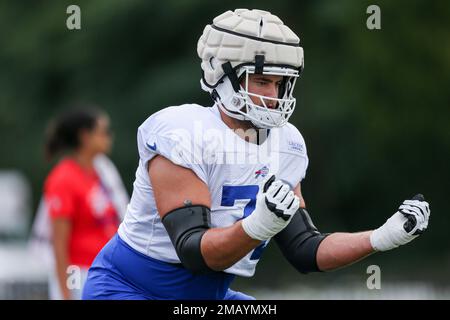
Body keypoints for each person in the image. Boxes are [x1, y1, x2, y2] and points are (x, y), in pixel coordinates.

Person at [82, 9, 430, 300]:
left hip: (209, 297)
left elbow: (305, 249)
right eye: (262, 80)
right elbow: (195, 252)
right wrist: (257, 226)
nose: (274, 94)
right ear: (221, 72)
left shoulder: (286, 143)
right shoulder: (183, 132)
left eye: (280, 83)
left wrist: (382, 237)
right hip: (130, 289)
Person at [39, 107, 127, 299]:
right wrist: (65, 293)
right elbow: (59, 244)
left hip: (104, 272)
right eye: (103, 132)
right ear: (85, 136)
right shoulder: (63, 178)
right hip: (79, 274)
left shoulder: (102, 174)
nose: (109, 137)